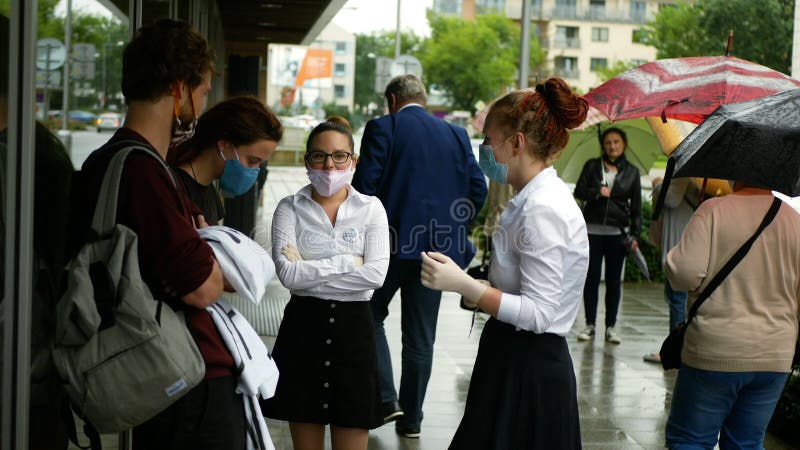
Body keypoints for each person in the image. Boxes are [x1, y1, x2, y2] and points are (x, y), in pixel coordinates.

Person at [69, 19, 242, 449]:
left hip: (148, 374)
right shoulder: (145, 171)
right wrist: (215, 262)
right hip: (182, 387)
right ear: (178, 89)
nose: (200, 108)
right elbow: (203, 287)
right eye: (202, 93)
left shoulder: (101, 162)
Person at [420, 78, 589, 449]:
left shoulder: (544, 208)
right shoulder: (530, 199)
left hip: (529, 369)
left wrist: (466, 286)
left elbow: (540, 314)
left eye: (489, 140)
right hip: (511, 358)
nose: (484, 150)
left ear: (517, 143)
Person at [351, 74, 488, 438]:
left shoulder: (383, 127)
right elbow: (478, 188)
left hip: (390, 247)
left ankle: (386, 399)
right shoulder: (457, 135)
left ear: (393, 99)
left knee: (367, 313)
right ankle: (412, 420)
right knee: (421, 337)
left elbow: (364, 189)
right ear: (423, 100)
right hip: (439, 253)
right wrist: (454, 224)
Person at [263, 122, 390, 450]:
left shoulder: (371, 209)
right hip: (303, 332)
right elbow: (288, 277)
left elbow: (375, 276)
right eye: (319, 156)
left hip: (354, 336)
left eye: (339, 156)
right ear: (307, 161)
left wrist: (308, 267)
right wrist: (351, 262)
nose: (329, 165)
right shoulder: (289, 208)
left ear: (354, 161)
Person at [664, 181, 800, 449]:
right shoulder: (794, 221)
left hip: (715, 349)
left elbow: (683, 274)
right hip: (775, 355)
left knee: (690, 441)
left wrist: (677, 253)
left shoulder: (712, 210)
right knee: (746, 443)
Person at [166, 96, 283, 225]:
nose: (255, 171)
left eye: (260, 163)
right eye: (252, 160)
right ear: (224, 145)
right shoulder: (173, 191)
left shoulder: (208, 189)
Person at [573, 127, 642, 344]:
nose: (612, 146)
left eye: (616, 142)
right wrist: (597, 191)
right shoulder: (592, 166)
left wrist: (636, 234)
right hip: (592, 232)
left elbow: (637, 207)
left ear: (624, 145)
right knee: (591, 279)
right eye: (608, 142)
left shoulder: (632, 172)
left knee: (613, 282)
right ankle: (590, 324)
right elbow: (579, 192)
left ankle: (611, 326)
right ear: (603, 145)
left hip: (617, 234)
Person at [643, 177, 698, 363]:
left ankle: (674, 352)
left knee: (677, 299)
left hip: (679, 244)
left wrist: (658, 185)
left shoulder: (685, 167)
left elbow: (673, 198)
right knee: (679, 299)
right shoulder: (697, 169)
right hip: (687, 242)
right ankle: (682, 349)